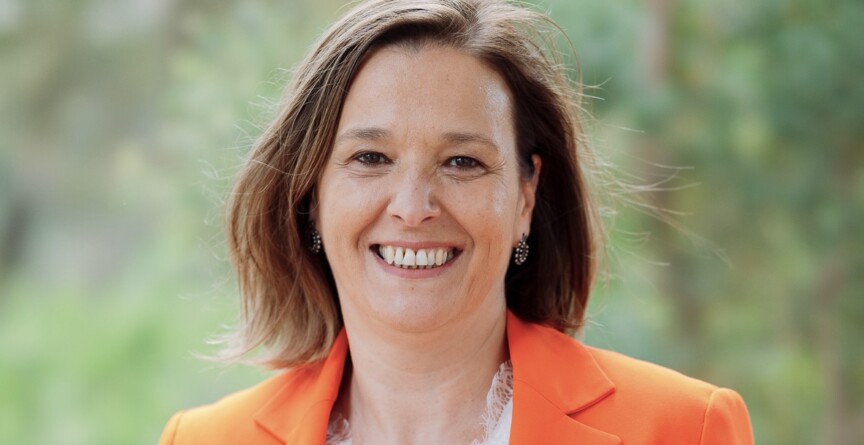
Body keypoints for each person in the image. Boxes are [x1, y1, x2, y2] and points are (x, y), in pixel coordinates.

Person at [159, 0, 754, 443]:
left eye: (462, 162)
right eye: (371, 158)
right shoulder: (203, 441)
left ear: (525, 198)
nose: (413, 206)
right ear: (311, 194)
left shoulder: (685, 428)